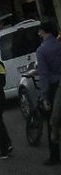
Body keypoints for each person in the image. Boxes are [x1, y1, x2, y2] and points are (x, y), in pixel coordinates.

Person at [36, 19, 61, 164]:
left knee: (52, 122)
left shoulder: (42, 50)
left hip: (53, 88)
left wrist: (44, 97)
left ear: (43, 32)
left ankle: (54, 155)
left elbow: (44, 76)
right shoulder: (59, 44)